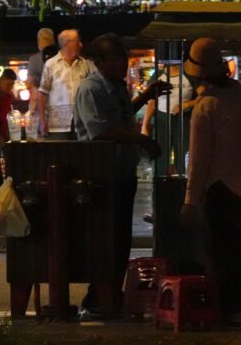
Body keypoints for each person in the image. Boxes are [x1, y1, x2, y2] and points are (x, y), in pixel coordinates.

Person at [73, 33, 165, 320]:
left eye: (123, 57)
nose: (122, 63)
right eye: (115, 58)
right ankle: (98, 295)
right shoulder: (90, 89)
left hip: (124, 172)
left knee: (121, 238)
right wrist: (140, 141)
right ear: (100, 62)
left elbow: (122, 117)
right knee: (105, 237)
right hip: (102, 175)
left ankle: (110, 292)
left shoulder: (117, 88)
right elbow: (100, 131)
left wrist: (147, 95)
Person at [179, 38, 241, 325]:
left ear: (196, 73)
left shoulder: (205, 107)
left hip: (222, 188)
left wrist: (190, 202)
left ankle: (233, 312)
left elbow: (199, 160)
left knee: (224, 254)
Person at [37, 29, 94, 139]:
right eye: (78, 42)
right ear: (67, 43)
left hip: (81, 125)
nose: (81, 45)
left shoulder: (84, 64)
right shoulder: (51, 64)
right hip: (58, 127)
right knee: (58, 155)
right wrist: (42, 120)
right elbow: (42, 93)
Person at [25, 28, 56, 114]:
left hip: (41, 106)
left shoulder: (34, 59)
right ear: (53, 40)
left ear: (39, 40)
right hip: (59, 103)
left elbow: (29, 84)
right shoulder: (60, 57)